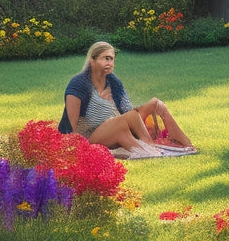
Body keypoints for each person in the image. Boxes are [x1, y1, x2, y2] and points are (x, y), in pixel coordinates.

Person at [58, 41, 194, 155]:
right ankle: (149, 150)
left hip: (110, 124)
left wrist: (137, 122)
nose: (110, 63)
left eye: (112, 59)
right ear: (92, 61)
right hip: (88, 135)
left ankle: (184, 143)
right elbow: (71, 127)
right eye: (105, 58)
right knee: (122, 124)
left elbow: (127, 110)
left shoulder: (112, 81)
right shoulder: (78, 84)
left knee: (156, 103)